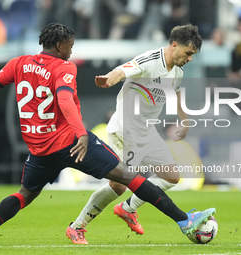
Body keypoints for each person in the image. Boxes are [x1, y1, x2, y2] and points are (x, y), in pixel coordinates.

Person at [0, 23, 215, 246]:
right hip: (74, 142)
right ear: (60, 45)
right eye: (70, 46)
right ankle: (183, 220)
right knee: (129, 179)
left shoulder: (19, 63)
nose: (72, 50)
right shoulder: (65, 67)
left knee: (23, 195)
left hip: (40, 150)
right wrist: (82, 132)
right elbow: (67, 99)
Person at [67, 24, 210, 244]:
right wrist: (109, 80)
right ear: (174, 45)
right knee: (119, 185)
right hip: (125, 131)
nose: (190, 59)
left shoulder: (178, 70)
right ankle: (77, 227)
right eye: (188, 53)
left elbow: (177, 93)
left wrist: (185, 119)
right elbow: (122, 71)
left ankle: (128, 208)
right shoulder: (150, 60)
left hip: (147, 132)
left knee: (172, 177)